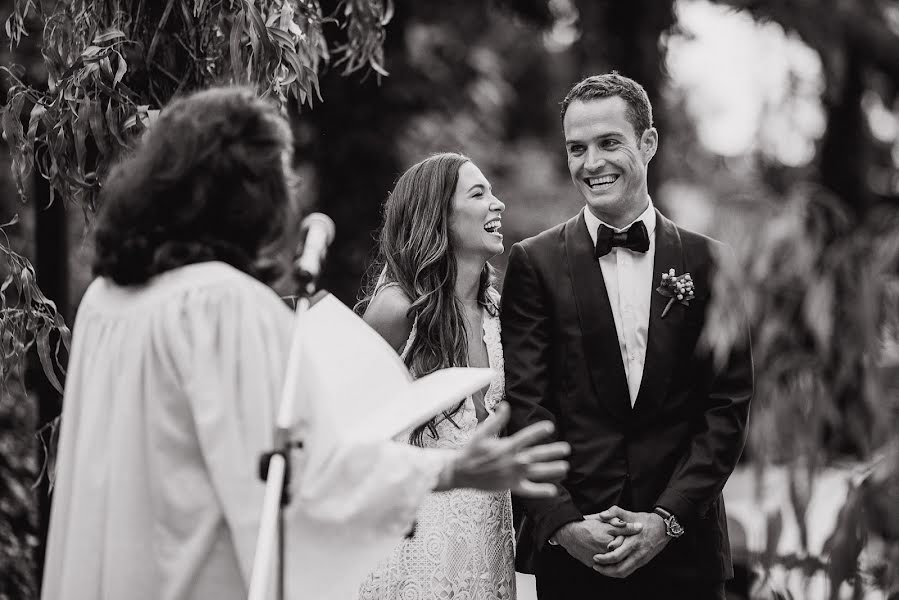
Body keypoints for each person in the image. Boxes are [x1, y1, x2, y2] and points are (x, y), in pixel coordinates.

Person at [40, 88, 570, 600]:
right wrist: (450, 469)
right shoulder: (228, 306)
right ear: (247, 194)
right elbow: (298, 474)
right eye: (279, 177)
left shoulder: (106, 302)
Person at [501, 73, 755, 599]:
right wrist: (565, 525)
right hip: (576, 558)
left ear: (648, 143)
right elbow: (527, 407)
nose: (590, 163)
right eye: (577, 148)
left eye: (608, 143)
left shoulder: (712, 264)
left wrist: (667, 520)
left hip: (686, 554)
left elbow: (725, 408)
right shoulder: (534, 264)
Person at [354, 153, 580, 600]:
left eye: (492, 192)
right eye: (478, 194)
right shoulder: (397, 311)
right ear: (436, 214)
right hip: (413, 547)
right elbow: (354, 440)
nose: (497, 204)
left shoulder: (498, 312)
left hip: (486, 540)